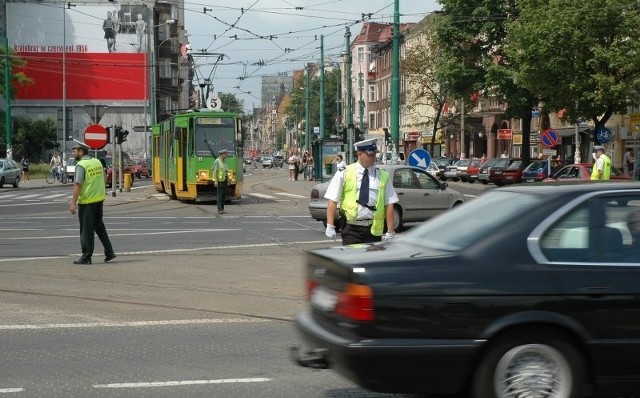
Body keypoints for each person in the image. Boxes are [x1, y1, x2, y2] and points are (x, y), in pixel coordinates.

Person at [324, 138, 399, 246]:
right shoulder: (344, 173)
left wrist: (390, 231)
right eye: (370, 154)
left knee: (370, 262)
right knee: (352, 261)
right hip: (351, 229)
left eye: (374, 154)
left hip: (373, 230)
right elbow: (332, 200)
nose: (373, 157)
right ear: (360, 154)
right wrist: (330, 226)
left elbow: (389, 203)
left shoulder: (382, 175)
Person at [69, 142, 116, 265]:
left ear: (81, 152)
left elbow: (78, 185)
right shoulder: (97, 162)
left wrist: (73, 203)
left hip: (87, 201)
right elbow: (104, 179)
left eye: (74, 151)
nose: (73, 153)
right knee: (99, 227)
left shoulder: (81, 165)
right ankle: (109, 252)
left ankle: (86, 257)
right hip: (98, 200)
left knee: (86, 230)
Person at [213, 149, 229, 214]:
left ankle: (222, 209)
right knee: (220, 195)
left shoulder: (224, 162)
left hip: (224, 180)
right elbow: (215, 172)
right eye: (225, 154)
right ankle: (219, 209)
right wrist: (216, 181)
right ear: (221, 154)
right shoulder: (217, 161)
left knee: (223, 196)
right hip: (219, 181)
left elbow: (226, 172)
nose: (226, 155)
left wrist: (228, 180)